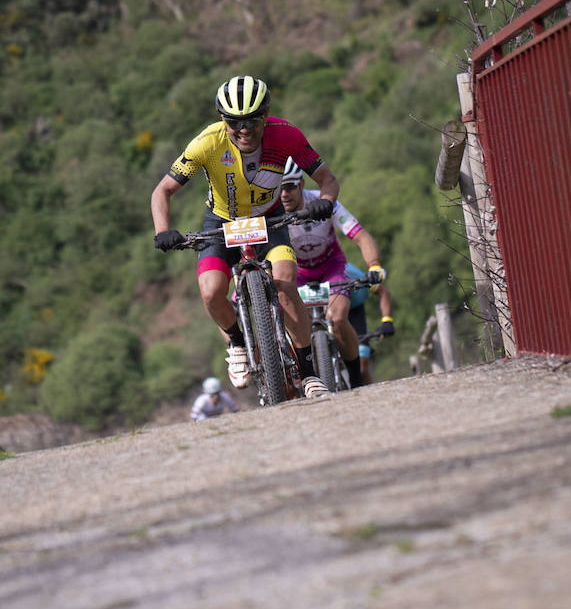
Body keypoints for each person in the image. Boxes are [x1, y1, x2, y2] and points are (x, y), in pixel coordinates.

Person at [151, 75, 338, 398]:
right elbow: (163, 191)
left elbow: (327, 180)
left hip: (270, 220)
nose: (244, 129)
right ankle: (237, 342)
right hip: (222, 223)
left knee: (285, 283)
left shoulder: (287, 135)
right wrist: (163, 231)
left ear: (266, 115)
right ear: (223, 120)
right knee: (211, 292)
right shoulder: (207, 142)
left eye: (253, 120)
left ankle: (308, 372)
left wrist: (325, 202)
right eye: (235, 121)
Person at [278, 158, 391, 387]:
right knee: (295, 326)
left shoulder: (323, 202)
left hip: (331, 267)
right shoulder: (272, 212)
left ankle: (356, 377)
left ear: (301, 184)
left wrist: (375, 265)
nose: (283, 194)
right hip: (297, 273)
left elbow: (361, 236)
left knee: (337, 319)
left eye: (289, 186)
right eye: (278, 188)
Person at [343, 262, 396, 385]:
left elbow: (383, 293)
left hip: (355, 313)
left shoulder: (355, 275)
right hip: (325, 312)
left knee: (362, 366)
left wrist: (387, 320)